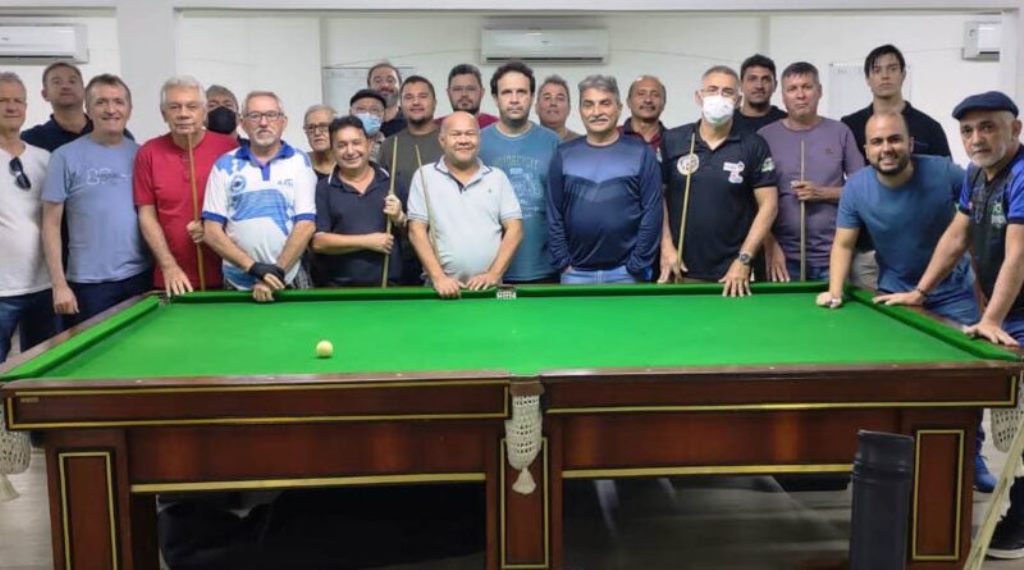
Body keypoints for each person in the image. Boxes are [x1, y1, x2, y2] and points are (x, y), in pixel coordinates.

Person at [869, 94, 1024, 541]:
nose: (977, 139)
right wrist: (919, 292)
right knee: (1012, 425)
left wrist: (991, 318)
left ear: (1015, 129)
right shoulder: (976, 174)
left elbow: (1019, 253)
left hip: (1017, 313)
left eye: (988, 127)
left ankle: (1020, 521)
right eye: (968, 131)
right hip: (1010, 312)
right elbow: (957, 236)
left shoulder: (1022, 175)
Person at [41, 74, 151, 327]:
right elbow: (50, 224)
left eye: (118, 102)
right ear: (88, 109)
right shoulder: (64, 157)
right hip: (89, 285)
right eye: (101, 102)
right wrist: (59, 285)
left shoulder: (142, 154)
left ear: (129, 109)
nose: (111, 109)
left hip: (140, 277)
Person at [658, 65, 778, 296]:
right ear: (699, 96)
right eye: (712, 90)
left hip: (733, 274)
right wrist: (666, 247)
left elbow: (769, 206)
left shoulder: (753, 144)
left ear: (738, 100)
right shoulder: (673, 140)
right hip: (679, 267)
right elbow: (658, 198)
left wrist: (744, 259)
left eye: (728, 92)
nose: (719, 97)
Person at [201, 90, 316, 302]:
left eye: (271, 115)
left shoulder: (300, 161)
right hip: (236, 280)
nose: (263, 122)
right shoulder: (224, 165)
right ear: (242, 123)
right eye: (254, 116)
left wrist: (276, 272)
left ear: (283, 122)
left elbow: (306, 225)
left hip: (289, 276)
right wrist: (254, 268)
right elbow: (211, 231)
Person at [547, 75, 662, 285]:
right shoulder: (563, 154)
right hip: (575, 274)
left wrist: (636, 265)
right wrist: (563, 263)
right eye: (588, 105)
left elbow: (652, 213)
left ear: (619, 107)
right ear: (580, 110)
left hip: (627, 274)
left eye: (605, 103)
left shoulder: (641, 153)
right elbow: (554, 214)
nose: (596, 112)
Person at [758, 62, 864, 282]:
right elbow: (751, 202)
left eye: (807, 87)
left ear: (819, 91)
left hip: (834, 255)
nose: (800, 95)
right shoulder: (764, 137)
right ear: (783, 96)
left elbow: (863, 191)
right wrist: (769, 245)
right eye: (792, 89)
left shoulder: (840, 132)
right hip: (781, 259)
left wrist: (823, 193)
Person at [134, 76, 239, 297]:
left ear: (204, 112)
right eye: (174, 107)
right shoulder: (148, 152)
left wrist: (213, 228)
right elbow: (147, 215)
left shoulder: (229, 149)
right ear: (163, 114)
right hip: (174, 278)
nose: (183, 114)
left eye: (192, 106)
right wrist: (168, 266)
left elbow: (243, 207)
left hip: (229, 274)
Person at [407, 112, 523, 298]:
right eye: (456, 134)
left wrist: (494, 274)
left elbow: (515, 229)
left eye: (470, 134)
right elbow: (416, 231)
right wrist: (439, 278)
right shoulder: (424, 176)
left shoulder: (497, 177)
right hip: (440, 290)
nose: (463, 140)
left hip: (489, 290)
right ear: (442, 140)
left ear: (479, 139)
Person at [480, 61, 561, 284]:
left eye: (521, 92)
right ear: (495, 98)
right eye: (507, 92)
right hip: (489, 271)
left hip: (544, 268)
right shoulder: (477, 142)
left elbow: (563, 206)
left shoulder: (552, 142)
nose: (514, 99)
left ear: (532, 97)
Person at [312, 115, 406, 287]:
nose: (350, 151)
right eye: (342, 145)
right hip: (338, 291)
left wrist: (400, 218)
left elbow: (415, 234)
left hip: (389, 289)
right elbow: (319, 242)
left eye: (356, 143)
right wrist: (367, 241)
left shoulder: (392, 182)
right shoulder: (323, 188)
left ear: (369, 144)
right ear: (332, 149)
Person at [0, 72, 55, 362]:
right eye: (2, 101)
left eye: (17, 101)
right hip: (2, 290)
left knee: (42, 369)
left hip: (44, 285)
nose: (11, 107)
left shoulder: (44, 158)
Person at [379, 75, 443, 286]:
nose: (416, 102)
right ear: (401, 104)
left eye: (423, 96)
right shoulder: (390, 146)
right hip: (403, 248)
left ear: (435, 102)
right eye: (408, 97)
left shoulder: (448, 141)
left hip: (444, 246)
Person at [841, 44, 951, 159]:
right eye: (877, 70)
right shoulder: (849, 127)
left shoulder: (930, 128)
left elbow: (946, 169)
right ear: (867, 79)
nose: (885, 76)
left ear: (903, 75)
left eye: (892, 69)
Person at [732, 54, 788, 135]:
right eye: (752, 79)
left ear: (775, 85)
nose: (759, 86)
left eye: (766, 80)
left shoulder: (787, 122)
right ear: (741, 85)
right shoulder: (727, 123)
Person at [620, 75, 667, 160]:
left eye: (655, 95)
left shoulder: (673, 140)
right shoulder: (612, 137)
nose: (648, 100)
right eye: (641, 94)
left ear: (663, 103)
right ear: (628, 102)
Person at [438, 64, 498, 128]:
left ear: (482, 93)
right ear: (448, 93)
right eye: (457, 89)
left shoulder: (497, 126)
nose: (464, 94)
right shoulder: (437, 127)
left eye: (470, 89)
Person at [535, 75, 580, 142]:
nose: (553, 103)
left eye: (560, 98)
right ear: (536, 107)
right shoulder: (524, 142)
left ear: (569, 109)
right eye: (547, 98)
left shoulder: (580, 144)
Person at [367, 62, 406, 137]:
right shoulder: (360, 126)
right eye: (378, 81)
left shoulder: (413, 124)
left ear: (401, 87)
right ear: (369, 87)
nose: (384, 85)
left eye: (390, 80)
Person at [349, 88, 387, 162]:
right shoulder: (340, 145)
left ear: (384, 115)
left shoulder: (391, 146)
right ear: (350, 113)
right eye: (361, 109)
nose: (367, 114)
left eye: (374, 110)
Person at [303, 104, 336, 180]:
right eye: (311, 128)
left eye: (323, 126)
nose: (317, 133)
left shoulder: (348, 163)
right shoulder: (300, 164)